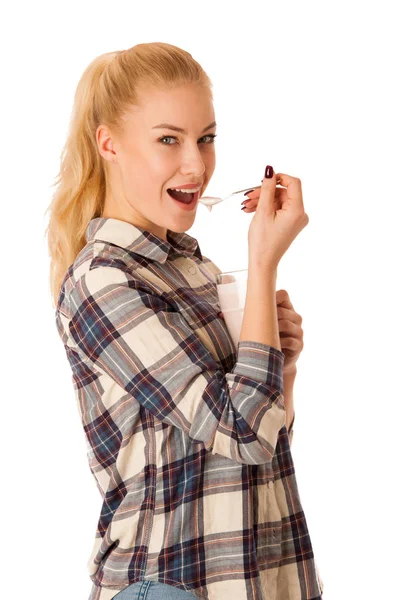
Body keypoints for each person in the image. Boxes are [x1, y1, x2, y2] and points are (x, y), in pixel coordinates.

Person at [45, 42, 324, 600]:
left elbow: (262, 440)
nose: (195, 164)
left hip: (262, 577)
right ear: (110, 144)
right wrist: (265, 262)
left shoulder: (198, 270)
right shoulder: (103, 280)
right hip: (175, 584)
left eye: (206, 138)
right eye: (168, 139)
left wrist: (280, 366)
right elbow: (241, 430)